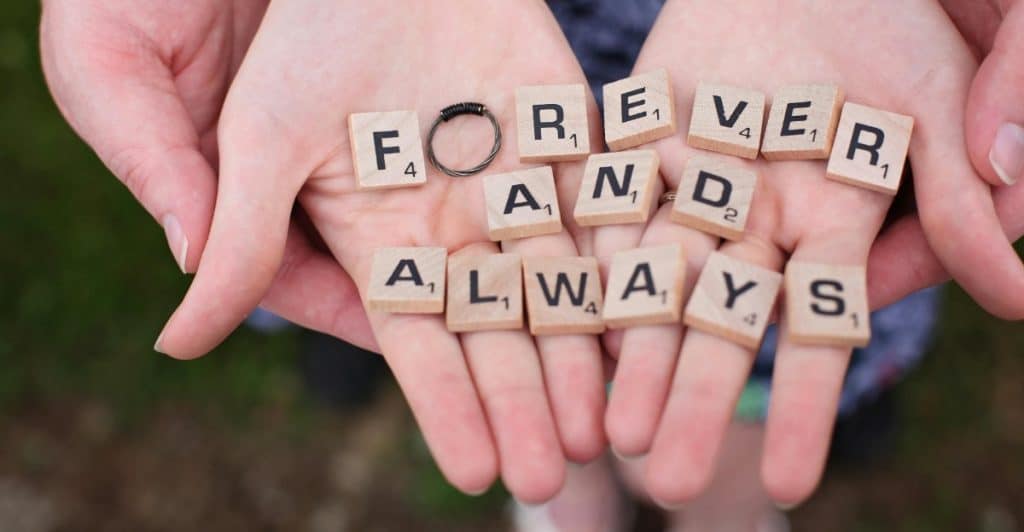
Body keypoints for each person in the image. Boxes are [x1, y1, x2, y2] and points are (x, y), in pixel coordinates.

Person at [39, 0, 1024, 521]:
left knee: (761, 283)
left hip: (803, 43)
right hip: (364, 46)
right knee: (437, 284)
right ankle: (567, 489)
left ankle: (726, 482)